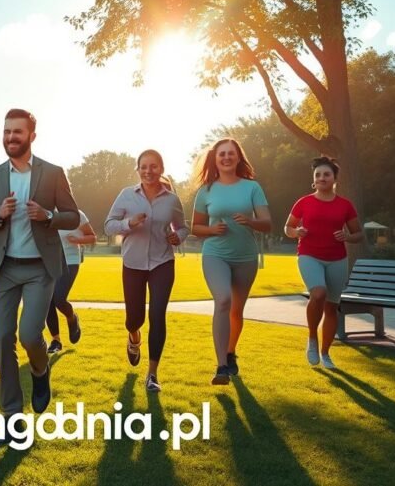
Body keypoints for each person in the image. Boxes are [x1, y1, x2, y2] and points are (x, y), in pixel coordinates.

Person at [0, 108, 79, 426]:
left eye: (17, 132)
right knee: (4, 337)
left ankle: (40, 370)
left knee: (30, 335)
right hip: (3, 269)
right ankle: (11, 415)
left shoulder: (53, 173)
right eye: (6, 131)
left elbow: (72, 216)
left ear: (31, 136)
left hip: (40, 269)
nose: (10, 137)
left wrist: (48, 216)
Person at [105, 150, 188, 392]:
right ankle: (134, 337)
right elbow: (108, 226)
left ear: (161, 169)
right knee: (134, 319)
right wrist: (128, 224)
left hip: (163, 262)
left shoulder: (171, 200)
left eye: (153, 166)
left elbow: (183, 227)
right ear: (138, 169)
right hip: (133, 263)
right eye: (144, 167)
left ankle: (152, 374)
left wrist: (178, 236)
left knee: (157, 315)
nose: (148, 171)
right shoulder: (126, 195)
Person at [191, 138, 272, 385]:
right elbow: (195, 227)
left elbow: (267, 224)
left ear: (238, 157)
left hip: (246, 257)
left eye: (230, 153)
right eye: (222, 154)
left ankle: (230, 352)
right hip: (215, 254)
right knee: (223, 300)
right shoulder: (206, 190)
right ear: (215, 160)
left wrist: (250, 222)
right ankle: (221, 367)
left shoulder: (252, 187)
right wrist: (211, 230)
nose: (226, 157)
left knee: (236, 311)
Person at [284, 157, 363, 370]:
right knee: (318, 293)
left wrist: (347, 236)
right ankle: (312, 337)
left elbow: (358, 234)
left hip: (337, 259)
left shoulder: (345, 205)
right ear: (314, 179)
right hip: (309, 255)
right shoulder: (304, 202)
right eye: (318, 175)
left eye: (326, 174)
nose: (322, 178)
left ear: (334, 179)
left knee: (331, 307)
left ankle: (326, 354)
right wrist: (296, 232)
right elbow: (288, 227)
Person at [46, 208, 94, 354]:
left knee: (59, 299)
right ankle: (56, 341)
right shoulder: (45, 212)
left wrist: (77, 240)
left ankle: (71, 318)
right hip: (48, 261)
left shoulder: (77, 214)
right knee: (48, 301)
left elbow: (92, 237)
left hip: (70, 261)